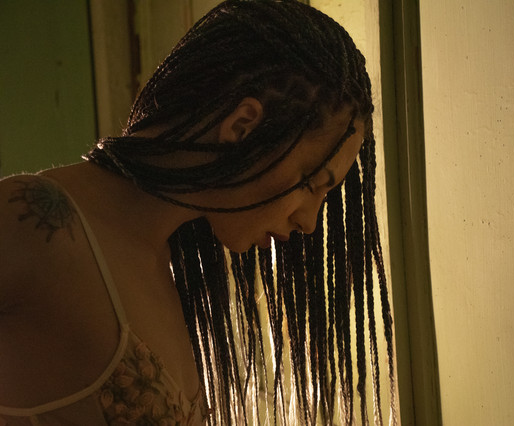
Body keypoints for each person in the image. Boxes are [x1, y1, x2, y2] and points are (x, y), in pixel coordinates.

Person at [0, 0, 395, 424]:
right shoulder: (32, 222)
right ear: (242, 127)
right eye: (310, 183)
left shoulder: (168, 267)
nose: (309, 221)